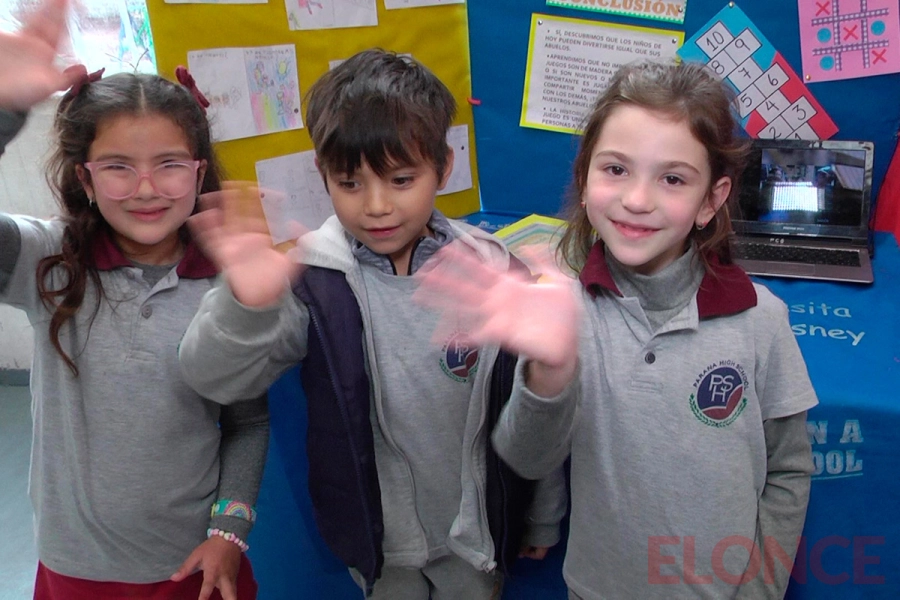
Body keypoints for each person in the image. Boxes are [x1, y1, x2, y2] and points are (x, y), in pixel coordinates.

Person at [415, 60, 818, 600]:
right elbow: (530, 459)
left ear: (711, 200)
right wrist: (551, 370)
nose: (637, 200)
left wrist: (759, 589)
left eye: (672, 178)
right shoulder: (563, 310)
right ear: (584, 179)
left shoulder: (760, 320)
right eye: (616, 169)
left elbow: (788, 471)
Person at [178, 48, 566, 599]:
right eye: (351, 183)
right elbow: (213, 380)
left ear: (444, 166)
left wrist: (542, 514)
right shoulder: (312, 280)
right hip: (378, 545)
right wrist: (245, 303)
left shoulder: (494, 274)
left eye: (401, 179)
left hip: (478, 539)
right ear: (323, 175)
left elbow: (530, 405)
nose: (377, 206)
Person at [0, 1, 268, 598]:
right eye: (118, 167)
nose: (146, 189)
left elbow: (247, 420)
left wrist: (230, 529)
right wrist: (4, 112)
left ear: (199, 172)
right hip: (75, 567)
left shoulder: (231, 280)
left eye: (169, 165)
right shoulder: (50, 261)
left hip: (192, 566)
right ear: (86, 179)